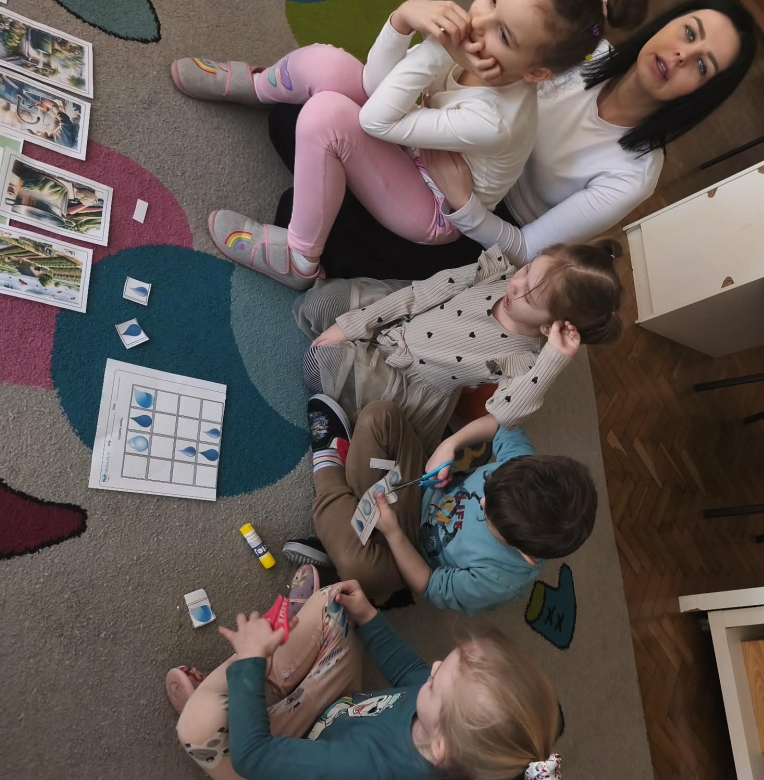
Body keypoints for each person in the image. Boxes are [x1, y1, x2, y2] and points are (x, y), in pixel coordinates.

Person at [170, 0, 641, 291]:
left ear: (535, 73)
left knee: (325, 117)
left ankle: (299, 259)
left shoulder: (495, 117)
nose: (477, 24)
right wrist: (401, 20)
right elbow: (377, 83)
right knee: (327, 63)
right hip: (415, 142)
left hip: (433, 208)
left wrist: (436, 48)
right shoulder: (479, 53)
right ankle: (258, 86)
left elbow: (375, 119)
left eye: (505, 36)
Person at [265, 0, 755, 281]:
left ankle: (323, 228)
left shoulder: (635, 172)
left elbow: (524, 248)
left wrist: (462, 203)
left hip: (480, 221)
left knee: (314, 188)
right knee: (302, 115)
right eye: (689, 33)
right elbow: (483, 54)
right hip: (446, 134)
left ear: (702, 94)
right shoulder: (585, 53)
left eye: (703, 66)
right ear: (668, 24)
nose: (682, 56)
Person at [169, 572, 563, 780]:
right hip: (336, 716)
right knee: (334, 602)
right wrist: (370, 617)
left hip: (278, 757)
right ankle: (249, 694)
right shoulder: (446, 721)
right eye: (443, 664)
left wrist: (251, 661)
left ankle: (235, 702)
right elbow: (410, 672)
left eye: (435, 682)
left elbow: (256, 757)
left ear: (441, 746)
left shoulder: (369, 768)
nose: (433, 668)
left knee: (198, 726)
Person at [293, 240, 623, 453]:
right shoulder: (495, 273)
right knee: (319, 304)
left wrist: (552, 360)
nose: (515, 286)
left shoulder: (525, 358)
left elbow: (505, 415)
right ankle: (353, 342)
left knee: (318, 363)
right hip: (404, 317)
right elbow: (419, 295)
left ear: (550, 327)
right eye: (527, 270)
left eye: (529, 297)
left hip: (405, 383)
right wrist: (351, 326)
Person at [285, 395, 597, 615]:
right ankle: (340, 530)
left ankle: (327, 464)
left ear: (523, 551)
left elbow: (429, 585)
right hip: (421, 487)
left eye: (488, 516)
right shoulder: (524, 472)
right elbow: (502, 424)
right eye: (489, 485)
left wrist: (393, 533)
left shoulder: (499, 580)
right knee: (380, 416)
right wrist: (450, 445)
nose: (481, 500)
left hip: (412, 553)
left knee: (361, 571)